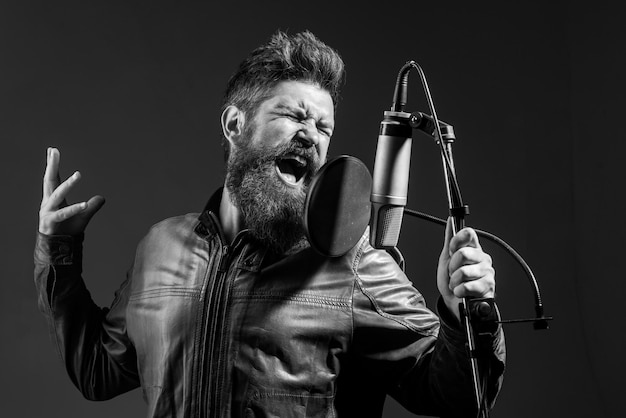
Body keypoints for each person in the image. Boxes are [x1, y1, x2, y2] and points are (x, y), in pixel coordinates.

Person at [34, 30, 505, 417]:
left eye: (324, 128)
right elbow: (98, 371)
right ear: (235, 124)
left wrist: (463, 312)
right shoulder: (160, 246)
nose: (311, 136)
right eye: (294, 115)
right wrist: (58, 253)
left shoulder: (352, 260)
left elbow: (456, 395)